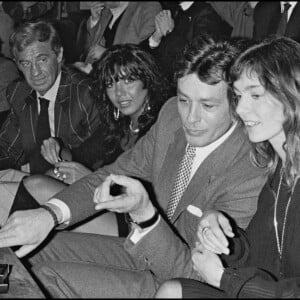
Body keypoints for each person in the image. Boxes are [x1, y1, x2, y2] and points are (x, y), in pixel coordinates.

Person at [0, 35, 267, 298]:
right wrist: (49, 215)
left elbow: (199, 279)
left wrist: (147, 216)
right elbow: (111, 175)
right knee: (31, 250)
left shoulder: (250, 171)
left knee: (48, 276)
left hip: (178, 279)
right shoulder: (171, 115)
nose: (191, 118)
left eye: (208, 105)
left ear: (236, 104)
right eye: (185, 100)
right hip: (141, 250)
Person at [155, 35, 300, 298]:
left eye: (255, 94)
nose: (241, 109)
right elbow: (258, 253)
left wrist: (225, 279)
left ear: (291, 94)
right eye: (238, 96)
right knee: (172, 291)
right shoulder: (280, 170)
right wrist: (221, 229)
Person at [17, 43, 170, 236]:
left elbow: (153, 192)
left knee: (36, 185)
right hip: (107, 204)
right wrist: (57, 148)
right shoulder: (118, 125)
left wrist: (92, 179)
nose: (119, 93)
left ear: (148, 81)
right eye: (110, 84)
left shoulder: (161, 126)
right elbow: (79, 156)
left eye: (128, 81)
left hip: (135, 219)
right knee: (52, 174)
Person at [0, 20, 100, 223]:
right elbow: (7, 150)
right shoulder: (19, 92)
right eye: (25, 64)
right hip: (36, 186)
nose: (35, 72)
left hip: (82, 194)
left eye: (42, 59)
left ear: (59, 55)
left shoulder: (85, 94)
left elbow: (97, 162)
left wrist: (61, 155)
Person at [143, 1, 233, 92]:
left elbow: (197, 59)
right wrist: (157, 36)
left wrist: (169, 32)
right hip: (159, 84)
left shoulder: (207, 13)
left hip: (181, 89)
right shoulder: (172, 10)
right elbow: (143, 56)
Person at [73, 1, 162, 74]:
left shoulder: (149, 7)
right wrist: (95, 20)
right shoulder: (105, 11)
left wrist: (107, 54)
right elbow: (90, 47)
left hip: (123, 75)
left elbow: (145, 52)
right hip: (96, 72)